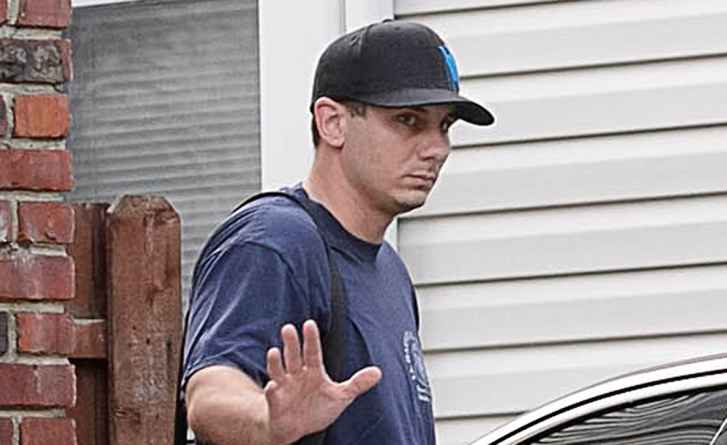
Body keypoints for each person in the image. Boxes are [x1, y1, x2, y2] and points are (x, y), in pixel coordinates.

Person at [181, 20, 494, 445]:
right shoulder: (275, 241)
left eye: (444, 125)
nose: (437, 148)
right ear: (332, 123)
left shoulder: (390, 270)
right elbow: (211, 393)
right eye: (408, 120)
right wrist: (268, 423)